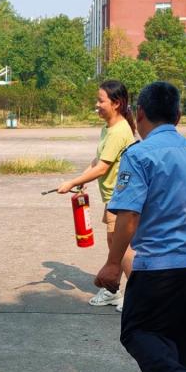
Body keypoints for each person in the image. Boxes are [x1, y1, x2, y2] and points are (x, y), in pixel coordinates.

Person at [95, 81, 186, 372]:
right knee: (184, 340)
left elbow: (129, 216)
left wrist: (113, 263)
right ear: (178, 116)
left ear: (140, 114)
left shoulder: (139, 154)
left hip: (161, 265)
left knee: (136, 331)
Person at [58, 80, 137, 312]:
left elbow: (103, 168)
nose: (97, 105)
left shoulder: (119, 131)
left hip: (122, 198)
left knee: (123, 249)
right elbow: (97, 161)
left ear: (116, 103)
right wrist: (82, 179)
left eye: (101, 100)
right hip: (114, 198)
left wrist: (72, 183)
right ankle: (113, 291)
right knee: (115, 245)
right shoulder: (108, 129)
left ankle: (138, 298)